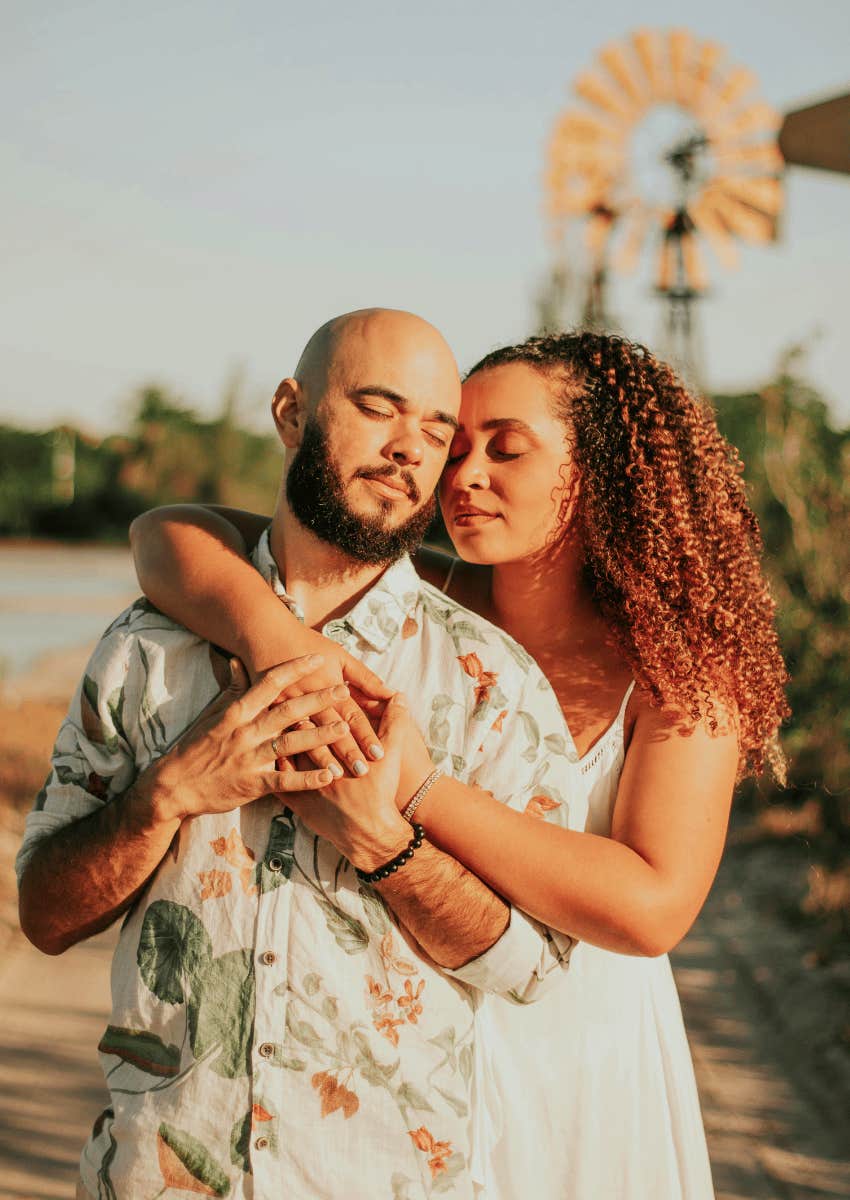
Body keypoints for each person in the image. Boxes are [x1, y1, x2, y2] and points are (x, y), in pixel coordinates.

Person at [129, 330, 790, 1199]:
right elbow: (167, 533)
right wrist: (288, 648)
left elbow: (653, 906)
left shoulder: (676, 668)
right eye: (457, 443)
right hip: (408, 1047)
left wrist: (421, 789)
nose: (463, 474)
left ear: (598, 473)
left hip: (574, 1057)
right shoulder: (421, 594)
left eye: (506, 449)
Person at [16, 309, 582, 1200]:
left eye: (436, 429)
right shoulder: (147, 648)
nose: (409, 447)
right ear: (291, 411)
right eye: (378, 408)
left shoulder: (491, 683)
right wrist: (168, 794)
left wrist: (386, 845)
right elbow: (46, 919)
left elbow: (532, 969)